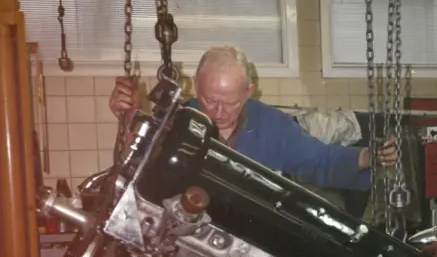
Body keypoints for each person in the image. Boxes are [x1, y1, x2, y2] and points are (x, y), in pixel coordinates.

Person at [108, 45, 396, 191]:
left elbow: (319, 160)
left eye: (230, 103)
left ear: (249, 92)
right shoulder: (176, 122)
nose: (218, 113)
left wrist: (365, 159)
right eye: (209, 100)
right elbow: (134, 168)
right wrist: (128, 117)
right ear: (195, 86)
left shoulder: (272, 127)